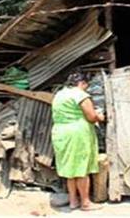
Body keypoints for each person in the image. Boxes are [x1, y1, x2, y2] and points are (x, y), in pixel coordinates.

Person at [51, 72, 105, 211]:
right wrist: (100, 116)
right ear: (82, 83)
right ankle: (86, 203)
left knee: (70, 169)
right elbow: (91, 117)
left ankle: (73, 201)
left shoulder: (60, 94)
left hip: (60, 133)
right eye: (86, 85)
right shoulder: (80, 95)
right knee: (82, 169)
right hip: (77, 134)